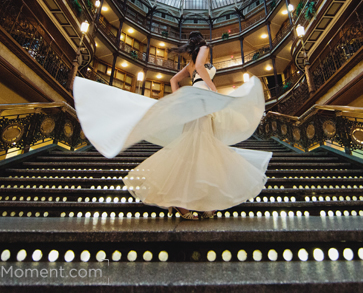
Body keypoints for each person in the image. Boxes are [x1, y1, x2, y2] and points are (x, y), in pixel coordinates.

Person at [73, 31, 271, 220]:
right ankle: (198, 203)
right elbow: (201, 68)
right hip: (201, 98)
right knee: (202, 145)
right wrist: (213, 89)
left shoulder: (190, 63)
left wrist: (180, 101)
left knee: (198, 147)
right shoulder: (204, 49)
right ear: (200, 42)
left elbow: (173, 80)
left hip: (195, 99)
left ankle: (193, 202)